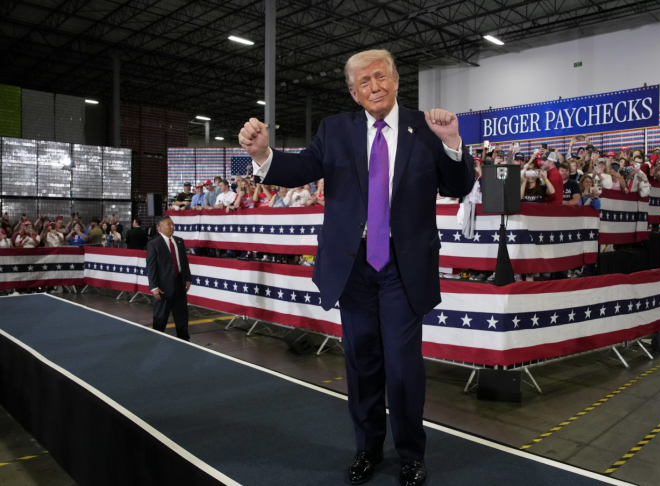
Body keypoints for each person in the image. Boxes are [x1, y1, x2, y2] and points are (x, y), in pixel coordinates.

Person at [238, 49, 474, 486]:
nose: (374, 87)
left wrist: (453, 143)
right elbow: (300, 168)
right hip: (354, 268)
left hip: (403, 267)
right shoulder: (335, 129)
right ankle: (367, 448)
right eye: (363, 82)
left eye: (380, 77)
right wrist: (263, 154)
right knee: (361, 362)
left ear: (396, 81)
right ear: (353, 92)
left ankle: (411, 454)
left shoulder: (426, 128)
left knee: (402, 366)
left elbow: (459, 185)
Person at [146, 216, 192, 341]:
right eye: (169, 225)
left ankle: (184, 339)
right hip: (163, 287)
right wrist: (154, 287)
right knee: (161, 316)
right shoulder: (154, 244)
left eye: (172, 224)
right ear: (160, 228)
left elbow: (184, 262)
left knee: (182, 314)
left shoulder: (179, 241)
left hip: (179, 284)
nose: (172, 227)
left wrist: (187, 278)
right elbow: (151, 267)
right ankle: (156, 339)